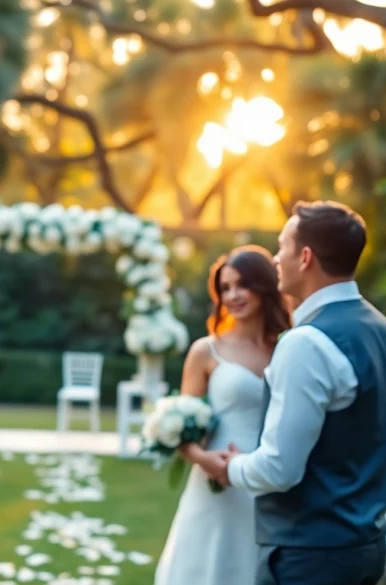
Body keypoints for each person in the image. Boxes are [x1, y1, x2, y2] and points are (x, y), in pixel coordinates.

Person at [217, 201, 386, 585]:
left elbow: (279, 469)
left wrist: (229, 467)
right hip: (365, 546)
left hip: (310, 557)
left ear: (305, 258)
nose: (275, 258)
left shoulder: (306, 342)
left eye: (281, 246)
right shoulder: (383, 329)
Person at [154, 245, 290, 585]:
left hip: (269, 479)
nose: (233, 295)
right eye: (225, 288)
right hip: (217, 483)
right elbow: (181, 430)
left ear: (263, 286)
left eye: (242, 284)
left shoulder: (288, 348)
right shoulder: (206, 351)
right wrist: (205, 460)